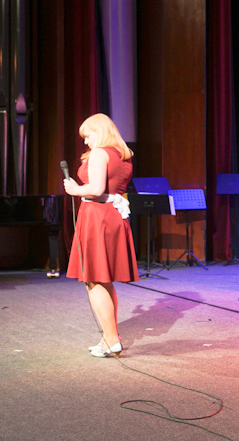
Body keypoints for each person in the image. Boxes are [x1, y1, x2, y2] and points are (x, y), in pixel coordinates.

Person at [63, 113, 138, 358]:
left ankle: (111, 339)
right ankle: (109, 336)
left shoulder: (99, 153)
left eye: (88, 136)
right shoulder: (122, 155)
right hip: (112, 217)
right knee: (103, 279)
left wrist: (75, 189)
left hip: (97, 217)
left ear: (100, 131)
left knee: (94, 279)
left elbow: (95, 190)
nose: (86, 142)